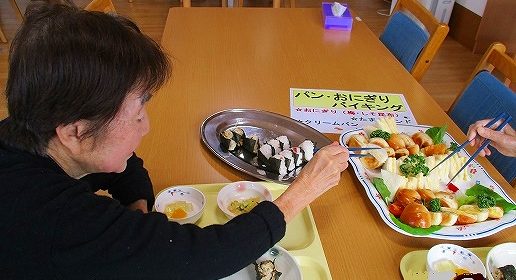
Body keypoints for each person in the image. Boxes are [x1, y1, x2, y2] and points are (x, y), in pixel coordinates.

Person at [0, 1, 350, 279]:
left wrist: (136, 211)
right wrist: (300, 192)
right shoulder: (57, 225)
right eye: (137, 114)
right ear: (75, 131)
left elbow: (123, 165)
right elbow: (202, 257)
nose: (146, 126)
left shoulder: (28, 131)